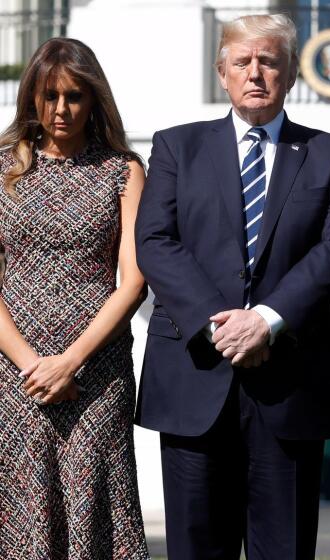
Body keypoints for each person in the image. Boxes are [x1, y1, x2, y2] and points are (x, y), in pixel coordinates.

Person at [134, 14, 330, 560]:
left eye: (269, 61)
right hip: (196, 379)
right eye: (243, 62)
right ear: (223, 73)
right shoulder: (176, 148)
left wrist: (265, 320)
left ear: (289, 73)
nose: (255, 73)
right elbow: (156, 242)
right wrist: (223, 323)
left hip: (289, 384)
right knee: (195, 549)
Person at [0, 38, 148, 558]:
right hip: (15, 373)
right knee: (23, 509)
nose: (61, 110)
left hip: (98, 370)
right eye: (49, 96)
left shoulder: (123, 171)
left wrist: (71, 362)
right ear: (32, 99)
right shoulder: (3, 169)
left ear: (94, 101)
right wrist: (32, 366)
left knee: (96, 508)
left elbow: (133, 281)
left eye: (74, 97)